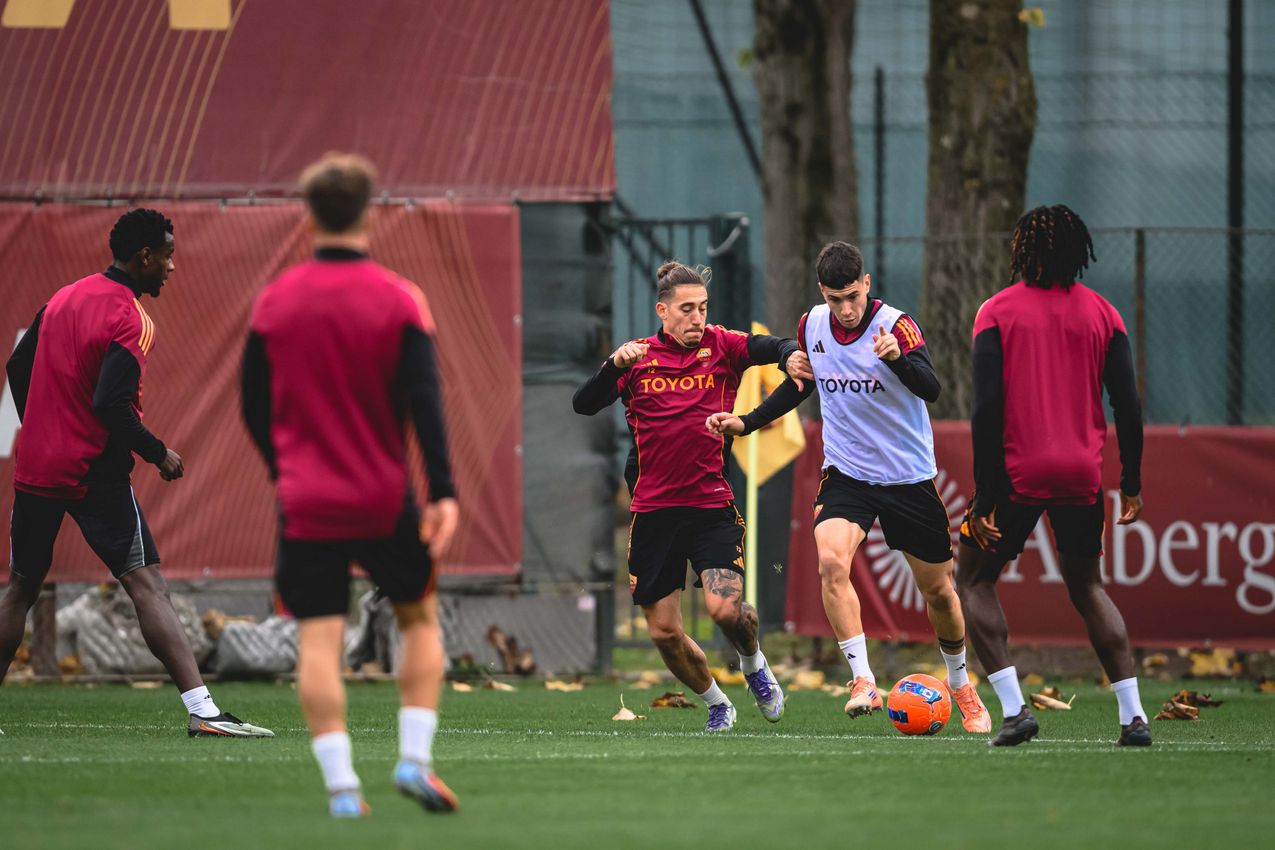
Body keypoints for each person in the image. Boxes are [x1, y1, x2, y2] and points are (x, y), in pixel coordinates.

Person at [241, 153, 460, 816]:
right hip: (382, 495)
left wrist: (286, 473)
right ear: (370, 212)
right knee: (418, 617)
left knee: (318, 639)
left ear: (308, 215)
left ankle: (341, 788)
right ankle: (414, 760)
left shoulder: (274, 301)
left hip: (307, 501)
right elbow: (426, 400)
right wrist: (443, 490)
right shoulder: (399, 298)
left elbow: (252, 403)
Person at [1, 208, 272, 739]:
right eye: (168, 255)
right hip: (93, 472)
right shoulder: (132, 318)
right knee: (149, 587)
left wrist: (44, 428)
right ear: (144, 256)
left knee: (19, 591)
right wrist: (158, 453)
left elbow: (16, 367)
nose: (172, 266)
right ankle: (203, 711)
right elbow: (112, 405)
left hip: (38, 467)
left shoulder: (64, 297)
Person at [708, 241, 992, 733]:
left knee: (941, 593)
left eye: (851, 297)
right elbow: (802, 385)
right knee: (832, 561)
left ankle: (962, 686)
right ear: (823, 292)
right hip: (848, 474)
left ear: (866, 284)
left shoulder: (897, 325)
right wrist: (748, 422)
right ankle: (862, 680)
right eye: (835, 299)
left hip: (908, 477)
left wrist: (899, 358)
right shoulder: (810, 325)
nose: (844, 309)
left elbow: (931, 388)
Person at [573, 261, 811, 732]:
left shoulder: (722, 345)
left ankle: (754, 664)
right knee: (664, 632)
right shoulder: (635, 358)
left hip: (711, 508)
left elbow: (774, 346)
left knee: (725, 610)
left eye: (702, 308)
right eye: (686, 309)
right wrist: (611, 367)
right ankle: (718, 703)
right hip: (653, 515)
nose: (697, 317)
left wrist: (788, 356)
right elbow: (584, 403)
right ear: (663, 311)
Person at [956, 204, 1150, 747]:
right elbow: (1129, 408)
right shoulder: (1104, 314)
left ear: (1022, 250)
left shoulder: (996, 312)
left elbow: (986, 408)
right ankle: (1134, 718)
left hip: (1018, 473)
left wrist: (985, 497)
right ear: (1076, 252)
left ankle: (1015, 710)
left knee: (971, 580)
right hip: (1081, 475)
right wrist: (1130, 482)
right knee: (1088, 587)